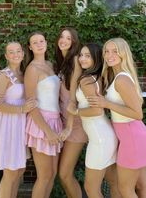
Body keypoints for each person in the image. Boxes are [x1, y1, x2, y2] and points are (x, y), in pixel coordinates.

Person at [88, 38, 146, 198]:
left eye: (115, 51)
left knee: (125, 189)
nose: (109, 55)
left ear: (123, 53)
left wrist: (106, 103)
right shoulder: (119, 76)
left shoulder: (122, 79)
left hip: (131, 138)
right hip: (134, 135)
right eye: (106, 51)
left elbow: (138, 114)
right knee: (142, 186)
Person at [67, 43, 120, 198]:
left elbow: (96, 110)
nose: (82, 59)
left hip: (100, 139)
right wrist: (77, 69)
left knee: (90, 188)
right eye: (81, 55)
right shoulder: (96, 77)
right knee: (113, 183)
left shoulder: (86, 81)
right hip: (106, 136)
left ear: (96, 58)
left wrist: (76, 111)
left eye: (87, 56)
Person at [0, 41, 36, 198]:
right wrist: (21, 109)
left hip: (21, 126)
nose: (16, 54)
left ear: (23, 53)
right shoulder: (3, 75)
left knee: (19, 170)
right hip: (8, 126)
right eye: (11, 52)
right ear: (6, 56)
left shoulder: (23, 73)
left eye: (18, 51)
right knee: (11, 172)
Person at [24, 31, 63, 198]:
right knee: (44, 175)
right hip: (41, 123)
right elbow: (31, 105)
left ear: (46, 43)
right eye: (35, 42)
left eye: (41, 41)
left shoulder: (50, 64)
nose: (39, 44)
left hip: (56, 120)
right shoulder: (32, 69)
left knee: (52, 174)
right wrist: (47, 130)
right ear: (30, 47)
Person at [54, 27, 87, 198]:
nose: (64, 40)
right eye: (61, 37)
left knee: (64, 174)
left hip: (75, 124)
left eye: (68, 38)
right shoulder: (62, 61)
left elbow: (74, 98)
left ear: (74, 42)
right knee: (63, 175)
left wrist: (68, 127)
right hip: (64, 121)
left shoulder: (74, 60)